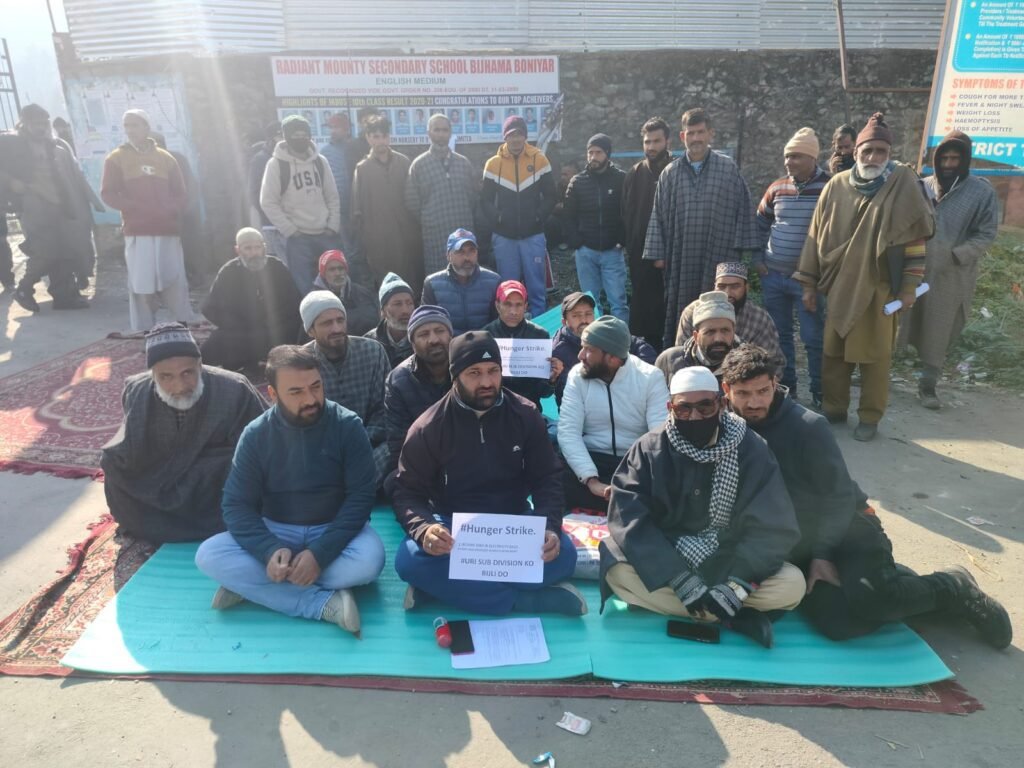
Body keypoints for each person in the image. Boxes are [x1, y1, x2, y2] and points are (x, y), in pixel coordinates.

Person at [720, 344, 1012, 648]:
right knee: (838, 624)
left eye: (762, 391)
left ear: (775, 382)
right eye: (743, 394)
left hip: (848, 527)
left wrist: (822, 554)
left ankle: (954, 586)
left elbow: (838, 497)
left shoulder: (807, 426)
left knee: (875, 601)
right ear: (726, 390)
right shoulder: (725, 428)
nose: (754, 402)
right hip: (796, 545)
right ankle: (895, 581)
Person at [600, 365, 805, 648]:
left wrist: (738, 584)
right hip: (668, 558)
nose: (695, 416)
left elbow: (773, 525)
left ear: (721, 404)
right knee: (616, 573)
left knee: (793, 585)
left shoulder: (750, 448)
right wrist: (677, 577)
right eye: (684, 409)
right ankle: (731, 617)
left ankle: (710, 608)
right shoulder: (649, 450)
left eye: (705, 407)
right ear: (670, 408)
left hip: (730, 559)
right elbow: (629, 518)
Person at [194, 345, 385, 637]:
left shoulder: (347, 425)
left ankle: (254, 587)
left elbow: (360, 498)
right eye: (296, 392)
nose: (310, 399)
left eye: (316, 387)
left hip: (332, 528)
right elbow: (236, 504)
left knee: (370, 562)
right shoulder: (256, 434)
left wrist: (320, 554)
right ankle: (321, 604)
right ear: (273, 394)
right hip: (277, 530)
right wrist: (267, 549)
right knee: (208, 555)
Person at [392, 331, 584, 615]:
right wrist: (426, 529)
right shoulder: (429, 427)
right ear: (455, 376)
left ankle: (445, 589)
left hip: (513, 523)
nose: (486, 382)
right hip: (454, 528)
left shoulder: (525, 414)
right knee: (409, 560)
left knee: (564, 555)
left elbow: (547, 478)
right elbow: (407, 492)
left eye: (493, 371)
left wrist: (550, 527)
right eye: (474, 373)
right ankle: (524, 601)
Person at [796, 112, 934, 441]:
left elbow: (915, 241)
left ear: (889, 153)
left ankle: (870, 417)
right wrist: (809, 285)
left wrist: (909, 287)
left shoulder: (902, 184)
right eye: (867, 150)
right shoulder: (836, 185)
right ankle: (834, 409)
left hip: (880, 290)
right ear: (856, 152)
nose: (872, 157)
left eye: (880, 151)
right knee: (833, 356)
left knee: (875, 360)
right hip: (839, 287)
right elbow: (815, 237)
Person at [101, 322, 266, 543]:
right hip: (160, 474)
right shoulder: (138, 390)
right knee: (111, 462)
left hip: (211, 483)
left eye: (187, 373)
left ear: (200, 365)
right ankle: (147, 523)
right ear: (153, 374)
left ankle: (211, 522)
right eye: (166, 377)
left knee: (239, 471)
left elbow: (262, 445)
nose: (179, 386)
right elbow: (128, 444)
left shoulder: (235, 388)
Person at [642, 108, 761, 347]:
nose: (695, 138)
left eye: (700, 132)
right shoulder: (670, 173)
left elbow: (744, 207)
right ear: (682, 136)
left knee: (720, 308)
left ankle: (722, 354)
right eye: (691, 133)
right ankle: (682, 356)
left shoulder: (727, 168)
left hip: (720, 253)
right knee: (682, 309)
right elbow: (658, 214)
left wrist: (745, 250)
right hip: (681, 257)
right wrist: (658, 254)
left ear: (710, 134)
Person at [906, 131, 999, 410]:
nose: (948, 164)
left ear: (965, 160)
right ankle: (877, 373)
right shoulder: (923, 186)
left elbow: (986, 233)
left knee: (939, 328)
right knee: (902, 319)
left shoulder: (982, 192)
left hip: (951, 274)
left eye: (954, 158)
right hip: (915, 269)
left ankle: (927, 386)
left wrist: (956, 255)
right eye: (944, 158)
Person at [558, 315, 669, 513]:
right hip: (591, 461)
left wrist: (634, 481)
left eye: (589, 350)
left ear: (612, 358)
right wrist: (591, 480)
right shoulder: (577, 375)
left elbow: (659, 438)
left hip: (634, 463)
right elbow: (568, 432)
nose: (580, 356)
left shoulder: (650, 377)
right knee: (555, 474)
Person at [755, 128, 830, 406]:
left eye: (796, 156)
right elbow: (760, 224)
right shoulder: (777, 188)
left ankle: (820, 393)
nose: (789, 162)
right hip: (773, 276)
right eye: (787, 156)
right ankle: (788, 391)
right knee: (779, 337)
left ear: (812, 157)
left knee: (813, 338)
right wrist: (758, 261)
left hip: (808, 281)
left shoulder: (829, 188)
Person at [101, 109, 194, 330]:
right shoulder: (116, 158)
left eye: (135, 125)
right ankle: (145, 329)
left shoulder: (166, 158)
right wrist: (133, 207)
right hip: (138, 230)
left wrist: (169, 209)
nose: (130, 130)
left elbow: (181, 193)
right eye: (126, 126)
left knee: (174, 279)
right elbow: (108, 193)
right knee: (141, 283)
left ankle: (181, 324)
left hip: (166, 229)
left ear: (146, 127)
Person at [2, 104, 95, 312]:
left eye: (44, 123)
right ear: (24, 123)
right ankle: (24, 289)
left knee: (65, 250)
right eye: (36, 123)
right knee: (46, 251)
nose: (41, 127)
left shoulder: (52, 143)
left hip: (59, 204)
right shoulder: (12, 144)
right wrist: (12, 183)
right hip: (34, 205)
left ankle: (63, 297)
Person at [301, 291, 391, 483]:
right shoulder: (301, 363)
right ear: (310, 330)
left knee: (393, 449)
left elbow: (384, 409)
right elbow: (298, 420)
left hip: (369, 446)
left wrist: (356, 443)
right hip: (323, 452)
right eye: (327, 323)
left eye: (340, 320)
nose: (336, 328)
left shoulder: (373, 351)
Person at [480, 115, 557, 318]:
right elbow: (485, 200)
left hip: (533, 236)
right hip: (504, 237)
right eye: (511, 135)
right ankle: (510, 330)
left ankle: (540, 329)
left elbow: (551, 195)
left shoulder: (539, 159)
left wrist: (538, 216)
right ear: (505, 137)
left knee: (537, 289)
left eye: (519, 134)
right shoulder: (493, 164)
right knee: (508, 290)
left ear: (525, 136)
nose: (515, 139)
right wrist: (498, 218)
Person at [259, 115, 342, 294]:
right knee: (304, 288)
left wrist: (332, 225)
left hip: (325, 234)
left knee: (336, 284)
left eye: (304, 134)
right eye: (295, 135)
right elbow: (268, 201)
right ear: (286, 137)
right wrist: (289, 230)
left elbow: (332, 196)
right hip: (297, 238)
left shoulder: (320, 161)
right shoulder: (276, 165)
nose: (300, 138)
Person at [200, 228, 302, 373]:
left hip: (275, 327)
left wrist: (272, 321)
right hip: (243, 330)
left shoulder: (276, 266)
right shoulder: (229, 271)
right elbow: (210, 308)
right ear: (238, 250)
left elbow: (294, 301)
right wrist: (237, 324)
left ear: (264, 248)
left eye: (257, 247)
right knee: (218, 341)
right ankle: (243, 362)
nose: (254, 253)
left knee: (298, 330)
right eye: (248, 248)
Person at [351, 115, 423, 293]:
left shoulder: (403, 162)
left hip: (406, 234)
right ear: (368, 138)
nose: (380, 141)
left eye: (384, 136)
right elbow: (356, 209)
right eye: (375, 136)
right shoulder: (362, 168)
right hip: (378, 238)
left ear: (389, 137)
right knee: (385, 282)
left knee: (411, 279)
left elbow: (415, 197)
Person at [383, 305, 454, 481]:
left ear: (451, 336)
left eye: (439, 331)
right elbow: (399, 443)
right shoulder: (399, 380)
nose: (434, 340)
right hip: (423, 464)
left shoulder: (468, 370)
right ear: (412, 344)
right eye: (423, 334)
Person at [564, 133, 628, 322]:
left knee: (618, 302)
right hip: (586, 252)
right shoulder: (577, 182)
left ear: (607, 154)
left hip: (612, 251)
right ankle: (593, 338)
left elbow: (629, 212)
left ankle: (622, 338)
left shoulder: (621, 179)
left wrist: (622, 240)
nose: (593, 157)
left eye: (598, 152)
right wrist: (576, 242)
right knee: (589, 304)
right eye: (590, 152)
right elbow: (567, 215)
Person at [551, 291, 657, 406]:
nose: (584, 320)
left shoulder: (603, 330)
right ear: (564, 321)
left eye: (588, 314)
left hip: (624, 398)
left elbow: (640, 347)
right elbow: (567, 392)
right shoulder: (558, 350)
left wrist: (632, 377)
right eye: (576, 315)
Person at [675, 262, 784, 371]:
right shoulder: (692, 312)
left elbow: (773, 363)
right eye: (721, 286)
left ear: (746, 288)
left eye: (735, 287)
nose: (727, 293)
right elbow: (681, 355)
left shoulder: (759, 318)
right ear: (714, 287)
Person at [405, 114, 477, 274]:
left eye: (445, 130)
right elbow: (412, 201)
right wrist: (429, 219)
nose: (441, 134)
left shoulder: (463, 163)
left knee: (466, 274)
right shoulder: (419, 165)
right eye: (436, 130)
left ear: (450, 133)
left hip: (462, 232)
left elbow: (473, 197)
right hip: (435, 234)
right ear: (429, 133)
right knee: (438, 277)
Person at [623, 117, 672, 349]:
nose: (651, 147)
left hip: (672, 256)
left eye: (656, 141)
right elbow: (627, 213)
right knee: (643, 313)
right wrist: (632, 248)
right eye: (647, 142)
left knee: (670, 310)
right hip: (641, 257)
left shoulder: (676, 171)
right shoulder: (635, 173)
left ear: (667, 142)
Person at [483, 280, 561, 411]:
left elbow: (544, 393)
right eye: (507, 304)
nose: (513, 311)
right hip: (494, 410)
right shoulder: (485, 336)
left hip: (530, 409)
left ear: (526, 306)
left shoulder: (540, 335)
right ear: (497, 306)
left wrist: (551, 380)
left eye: (518, 305)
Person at [421, 228, 501, 334]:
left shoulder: (494, 281)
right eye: (460, 252)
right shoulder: (432, 284)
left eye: (471, 251)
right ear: (448, 256)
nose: (467, 257)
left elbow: (498, 323)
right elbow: (427, 323)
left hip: (484, 341)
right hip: (449, 343)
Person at [151, 131, 204, 282]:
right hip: (169, 214)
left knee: (188, 247)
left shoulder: (175, 159)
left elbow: (191, 186)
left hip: (184, 213)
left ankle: (194, 278)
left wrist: (184, 209)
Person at [657, 291, 739, 383]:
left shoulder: (745, 364)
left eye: (725, 331)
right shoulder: (669, 361)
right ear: (696, 336)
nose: (718, 338)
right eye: (710, 332)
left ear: (733, 332)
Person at [311, 249, 379, 336]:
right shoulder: (314, 301)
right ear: (323, 274)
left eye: (341, 268)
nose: (337, 273)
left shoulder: (363, 293)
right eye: (332, 269)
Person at [365, 271, 416, 369]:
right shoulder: (369, 343)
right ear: (383, 310)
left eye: (409, 303)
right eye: (397, 304)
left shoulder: (422, 338)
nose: (405, 311)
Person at [319, 113, 353, 225]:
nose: (333, 131)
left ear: (346, 130)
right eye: (331, 127)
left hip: (356, 207)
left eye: (337, 127)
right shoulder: (324, 152)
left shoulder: (354, 148)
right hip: (335, 210)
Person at [248, 121, 281, 230]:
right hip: (271, 225)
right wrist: (272, 216)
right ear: (271, 138)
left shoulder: (291, 157)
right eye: (280, 136)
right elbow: (256, 193)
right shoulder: (260, 160)